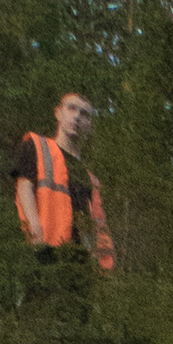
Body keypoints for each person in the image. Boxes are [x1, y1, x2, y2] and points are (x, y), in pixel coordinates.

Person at [12, 92, 116, 275]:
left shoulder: (91, 178)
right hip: (44, 251)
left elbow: (98, 223)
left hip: (79, 262)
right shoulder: (37, 147)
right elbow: (24, 187)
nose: (77, 116)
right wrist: (34, 229)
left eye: (84, 114)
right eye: (71, 108)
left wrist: (102, 264)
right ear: (58, 113)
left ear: (90, 125)